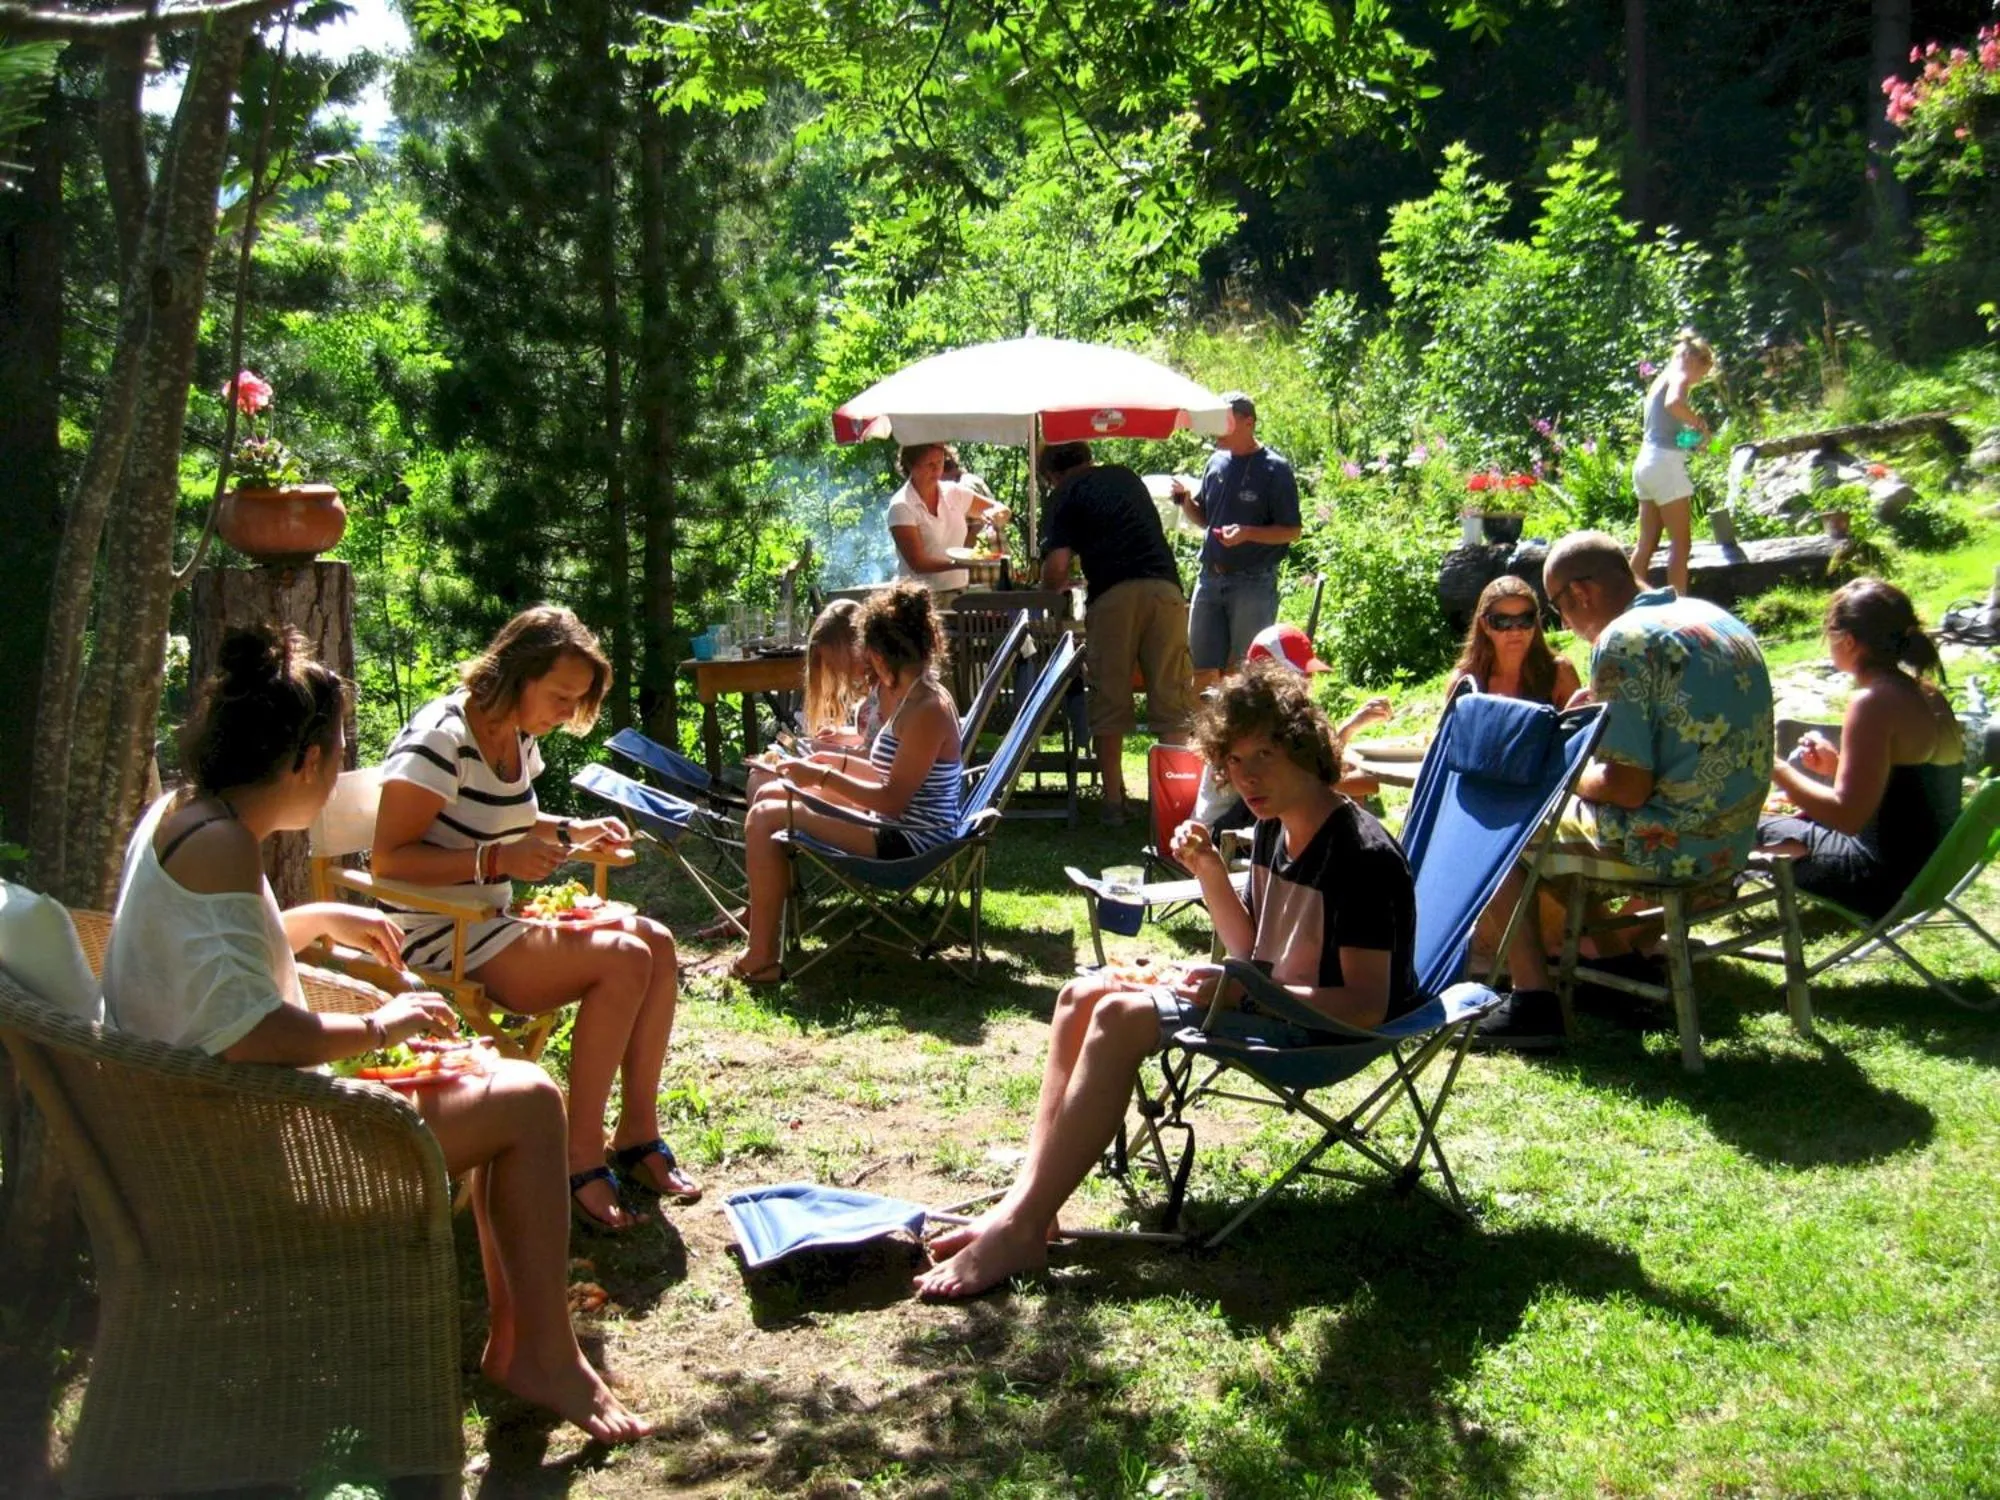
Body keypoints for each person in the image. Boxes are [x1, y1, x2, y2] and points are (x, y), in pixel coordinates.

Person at [102, 625, 652, 1443]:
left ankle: (528, 1341)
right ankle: (540, 1350)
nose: (336, 780)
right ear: (302, 761)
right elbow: (248, 1031)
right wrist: (376, 1024)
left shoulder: (185, 816)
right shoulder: (221, 845)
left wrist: (316, 918)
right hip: (236, 1137)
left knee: (505, 1084)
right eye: (335, 754)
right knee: (529, 1098)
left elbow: (209, 962)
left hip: (197, 1113)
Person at [915, 662, 1417, 1299]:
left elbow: (1365, 1007)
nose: (1248, 776)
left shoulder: (1361, 858)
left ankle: (1020, 1226)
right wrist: (1209, 870)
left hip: (1318, 1029)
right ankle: (1026, 1208)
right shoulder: (1275, 826)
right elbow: (1253, 946)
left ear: (1307, 747)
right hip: (1271, 1001)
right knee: (1081, 994)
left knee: (1120, 1018)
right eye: (1234, 760)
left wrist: (1244, 991)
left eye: (1265, 753)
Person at [372, 606, 696, 1232]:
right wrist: (496, 859)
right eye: (559, 696)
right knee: (624, 957)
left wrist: (574, 833)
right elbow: (388, 859)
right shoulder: (441, 738)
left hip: (486, 922)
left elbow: (512, 823)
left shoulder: (517, 733)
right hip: (432, 935)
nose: (565, 714)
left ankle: (635, 1136)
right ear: (516, 673)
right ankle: (577, 1160)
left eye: (577, 701)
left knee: (655, 941)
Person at [1476, 530, 1773, 1048]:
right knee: (1566, 824)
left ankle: (1533, 1003)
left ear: (1582, 594)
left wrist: (1562, 764)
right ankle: (1618, 965)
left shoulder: (1623, 640)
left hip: (1675, 844)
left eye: (1559, 610)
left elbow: (1627, 788)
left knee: (1497, 836)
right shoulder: (1714, 618)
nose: (1564, 625)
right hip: (1734, 834)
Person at [727, 583, 965, 983]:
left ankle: (761, 955)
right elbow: (890, 775)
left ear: (880, 653)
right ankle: (771, 932)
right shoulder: (911, 696)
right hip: (892, 822)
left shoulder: (927, 709)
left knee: (766, 816)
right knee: (770, 792)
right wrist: (831, 760)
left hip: (908, 840)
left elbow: (892, 800)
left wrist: (822, 776)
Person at [1761, 579, 1963, 918]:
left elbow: (1847, 815)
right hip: (1929, 875)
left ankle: (1690, 906)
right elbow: (1912, 795)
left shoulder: (1873, 702)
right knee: (1780, 822)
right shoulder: (1928, 694)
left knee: (1737, 825)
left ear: (1849, 640)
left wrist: (1770, 765)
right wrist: (1836, 767)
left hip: (1878, 882)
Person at [1037, 440, 1198, 825]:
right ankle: (1174, 801)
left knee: (1110, 696)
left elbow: (1057, 567)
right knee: (1171, 697)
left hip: (1114, 594)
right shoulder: (1125, 477)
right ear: (1087, 457)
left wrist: (1049, 585)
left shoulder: (1064, 494)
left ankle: (1113, 802)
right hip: (1166, 590)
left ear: (1052, 475)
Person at [1190, 623, 1391, 829]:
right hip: (1223, 828)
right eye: (1301, 673)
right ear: (1272, 675)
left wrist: (1348, 729)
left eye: (1309, 674)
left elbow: (1316, 766)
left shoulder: (1262, 711)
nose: (1309, 681)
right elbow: (1336, 781)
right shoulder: (1249, 722)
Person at [1170, 392, 1302, 690]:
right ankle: (1207, 735)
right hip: (1210, 578)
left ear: (1248, 422)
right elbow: (1206, 518)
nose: (1216, 430)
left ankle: (1242, 734)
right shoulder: (1215, 462)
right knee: (1202, 667)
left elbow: (1292, 530)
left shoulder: (1275, 470)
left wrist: (1248, 533)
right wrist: (1186, 503)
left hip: (1253, 583)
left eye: (1224, 422)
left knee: (1246, 672)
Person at [1630, 330, 1716, 598]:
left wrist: (1692, 440)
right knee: (1681, 543)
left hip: (1645, 462)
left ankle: (1626, 603)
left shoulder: (1659, 380)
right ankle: (1680, 606)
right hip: (1664, 465)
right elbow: (1675, 404)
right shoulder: (1678, 374)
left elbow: (1666, 428)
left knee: (1646, 543)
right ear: (1693, 360)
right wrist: (1700, 424)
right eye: (1701, 374)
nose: (1697, 380)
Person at [886, 442, 1011, 599]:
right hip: (919, 599)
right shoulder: (901, 505)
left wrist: (995, 515)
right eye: (929, 464)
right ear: (911, 466)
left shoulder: (953, 492)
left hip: (960, 592)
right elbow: (918, 563)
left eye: (940, 462)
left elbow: (1002, 509)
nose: (936, 469)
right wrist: (962, 563)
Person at [1447, 575, 1584, 706]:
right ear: (1485, 625)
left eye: (1525, 619)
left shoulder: (1559, 672)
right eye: (1503, 621)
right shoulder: (1465, 683)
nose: (1515, 631)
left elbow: (1580, 727)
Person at [801, 597, 882, 750]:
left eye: (836, 663)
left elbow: (883, 756)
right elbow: (874, 736)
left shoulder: (889, 688)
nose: (838, 672)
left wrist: (835, 753)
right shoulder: (872, 685)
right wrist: (842, 736)